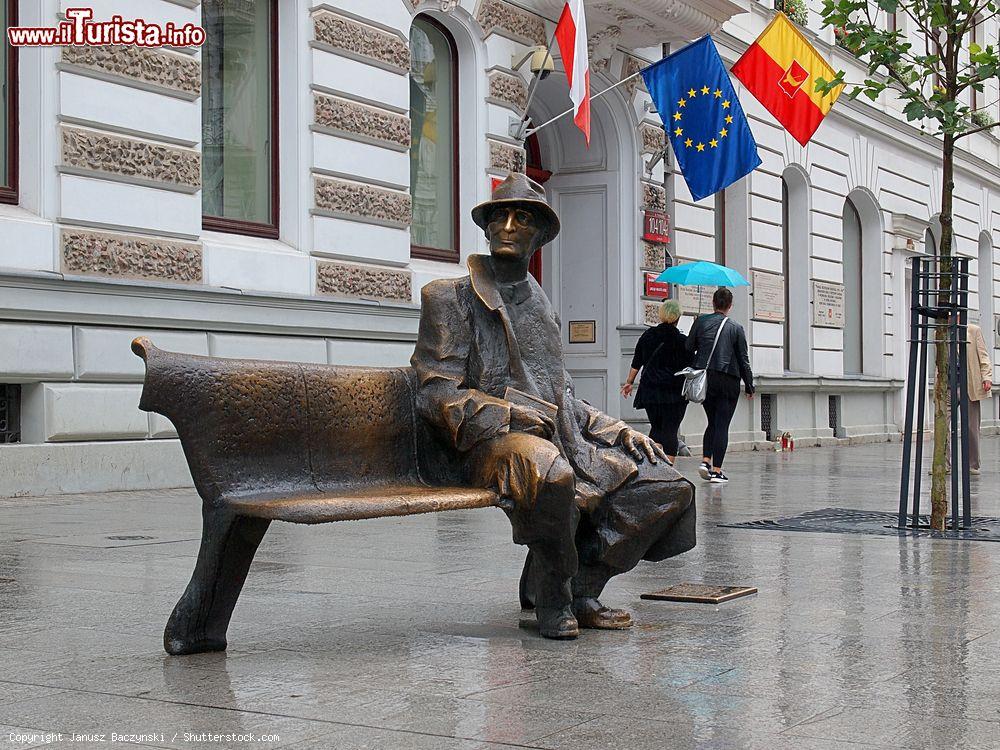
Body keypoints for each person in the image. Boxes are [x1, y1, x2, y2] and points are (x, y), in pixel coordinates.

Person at [411, 173, 696, 640]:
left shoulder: (540, 304)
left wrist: (617, 429)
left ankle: (581, 585)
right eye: (498, 217)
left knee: (668, 486)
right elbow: (435, 394)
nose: (507, 226)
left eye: (521, 218)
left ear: (540, 235)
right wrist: (506, 414)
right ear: (485, 229)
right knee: (553, 475)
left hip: (559, 437)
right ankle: (553, 596)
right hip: (485, 441)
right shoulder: (448, 298)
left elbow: (563, 394)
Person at [686, 287, 754, 483]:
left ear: (713, 303)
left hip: (706, 379)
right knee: (722, 424)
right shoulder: (736, 328)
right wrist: (749, 385)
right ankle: (717, 471)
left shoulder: (700, 322)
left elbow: (689, 348)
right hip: (728, 380)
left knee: (712, 422)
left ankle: (705, 461)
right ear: (730, 306)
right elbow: (743, 360)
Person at [621, 299, 692, 465]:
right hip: (673, 393)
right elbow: (692, 364)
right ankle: (668, 470)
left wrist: (629, 382)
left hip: (650, 391)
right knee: (670, 430)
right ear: (678, 317)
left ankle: (653, 465)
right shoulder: (682, 341)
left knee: (657, 428)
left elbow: (637, 361)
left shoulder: (647, 335)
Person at [966, 321, 993, 474]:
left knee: (972, 426)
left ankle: (973, 464)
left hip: (970, 384)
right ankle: (944, 464)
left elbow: (984, 356)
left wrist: (986, 377)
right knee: (944, 425)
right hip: (948, 385)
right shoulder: (940, 332)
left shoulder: (974, 331)